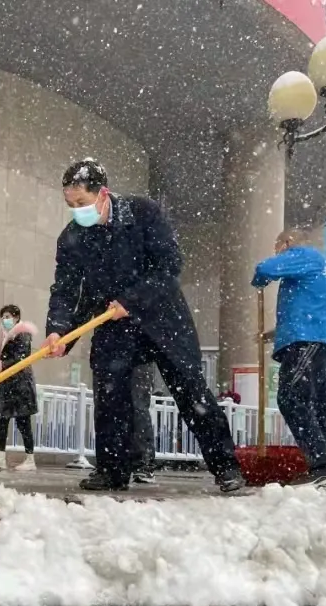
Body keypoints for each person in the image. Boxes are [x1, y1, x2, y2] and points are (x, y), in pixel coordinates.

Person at [44, 158, 243, 493]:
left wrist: (132, 301)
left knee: (190, 391)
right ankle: (113, 470)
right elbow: (65, 289)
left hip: (162, 317)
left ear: (103, 194)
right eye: (70, 205)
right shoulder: (72, 239)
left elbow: (169, 265)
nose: (77, 211)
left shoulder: (142, 213)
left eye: (82, 203)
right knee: (111, 397)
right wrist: (58, 330)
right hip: (110, 321)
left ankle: (226, 467)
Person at [253, 229, 326, 487]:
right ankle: (324, 468)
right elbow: (313, 310)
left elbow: (266, 268)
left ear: (289, 243)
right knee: (315, 411)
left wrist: (259, 277)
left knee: (291, 397)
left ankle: (322, 466)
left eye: (278, 247)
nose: (277, 252)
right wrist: (275, 334)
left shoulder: (305, 254)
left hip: (309, 344)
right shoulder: (322, 270)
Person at [0, 305, 38, 472]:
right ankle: (0, 457)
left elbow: (19, 359)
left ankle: (30, 459)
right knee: (1, 420)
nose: (4, 320)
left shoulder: (23, 334)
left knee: (23, 423)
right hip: (7, 383)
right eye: (2, 317)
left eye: (7, 316)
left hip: (20, 384)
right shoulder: (3, 335)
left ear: (16, 317)